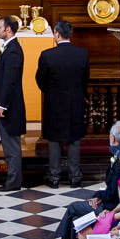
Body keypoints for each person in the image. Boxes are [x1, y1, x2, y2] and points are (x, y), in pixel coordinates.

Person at [41, 130, 120, 239]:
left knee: (74, 208)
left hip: (112, 208)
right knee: (77, 216)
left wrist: (107, 209)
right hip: (113, 206)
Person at [35, 20, 89, 189]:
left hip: (54, 103)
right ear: (69, 34)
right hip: (75, 102)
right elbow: (85, 79)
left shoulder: (47, 55)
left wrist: (51, 92)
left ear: (57, 34)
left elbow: (40, 80)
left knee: (54, 139)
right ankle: (75, 177)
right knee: (74, 139)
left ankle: (54, 176)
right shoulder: (82, 54)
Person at [0, 15, 26, 191]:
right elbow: (2, 69)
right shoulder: (9, 48)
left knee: (11, 146)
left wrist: (2, 105)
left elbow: (10, 81)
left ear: (8, 29)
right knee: (9, 144)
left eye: (0, 27)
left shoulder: (13, 50)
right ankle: (12, 180)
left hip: (10, 107)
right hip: (9, 105)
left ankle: (13, 182)